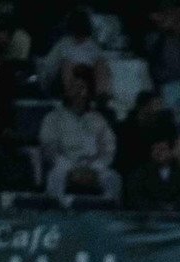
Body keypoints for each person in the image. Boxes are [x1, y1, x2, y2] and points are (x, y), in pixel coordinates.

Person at [39, 71, 120, 200]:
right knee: (55, 177)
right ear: (66, 91)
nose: (78, 91)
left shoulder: (98, 119)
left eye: (82, 87)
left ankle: (108, 214)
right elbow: (49, 149)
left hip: (94, 168)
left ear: (88, 91)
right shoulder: (52, 118)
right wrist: (71, 170)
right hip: (65, 168)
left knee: (113, 178)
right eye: (73, 87)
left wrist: (94, 169)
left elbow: (109, 149)